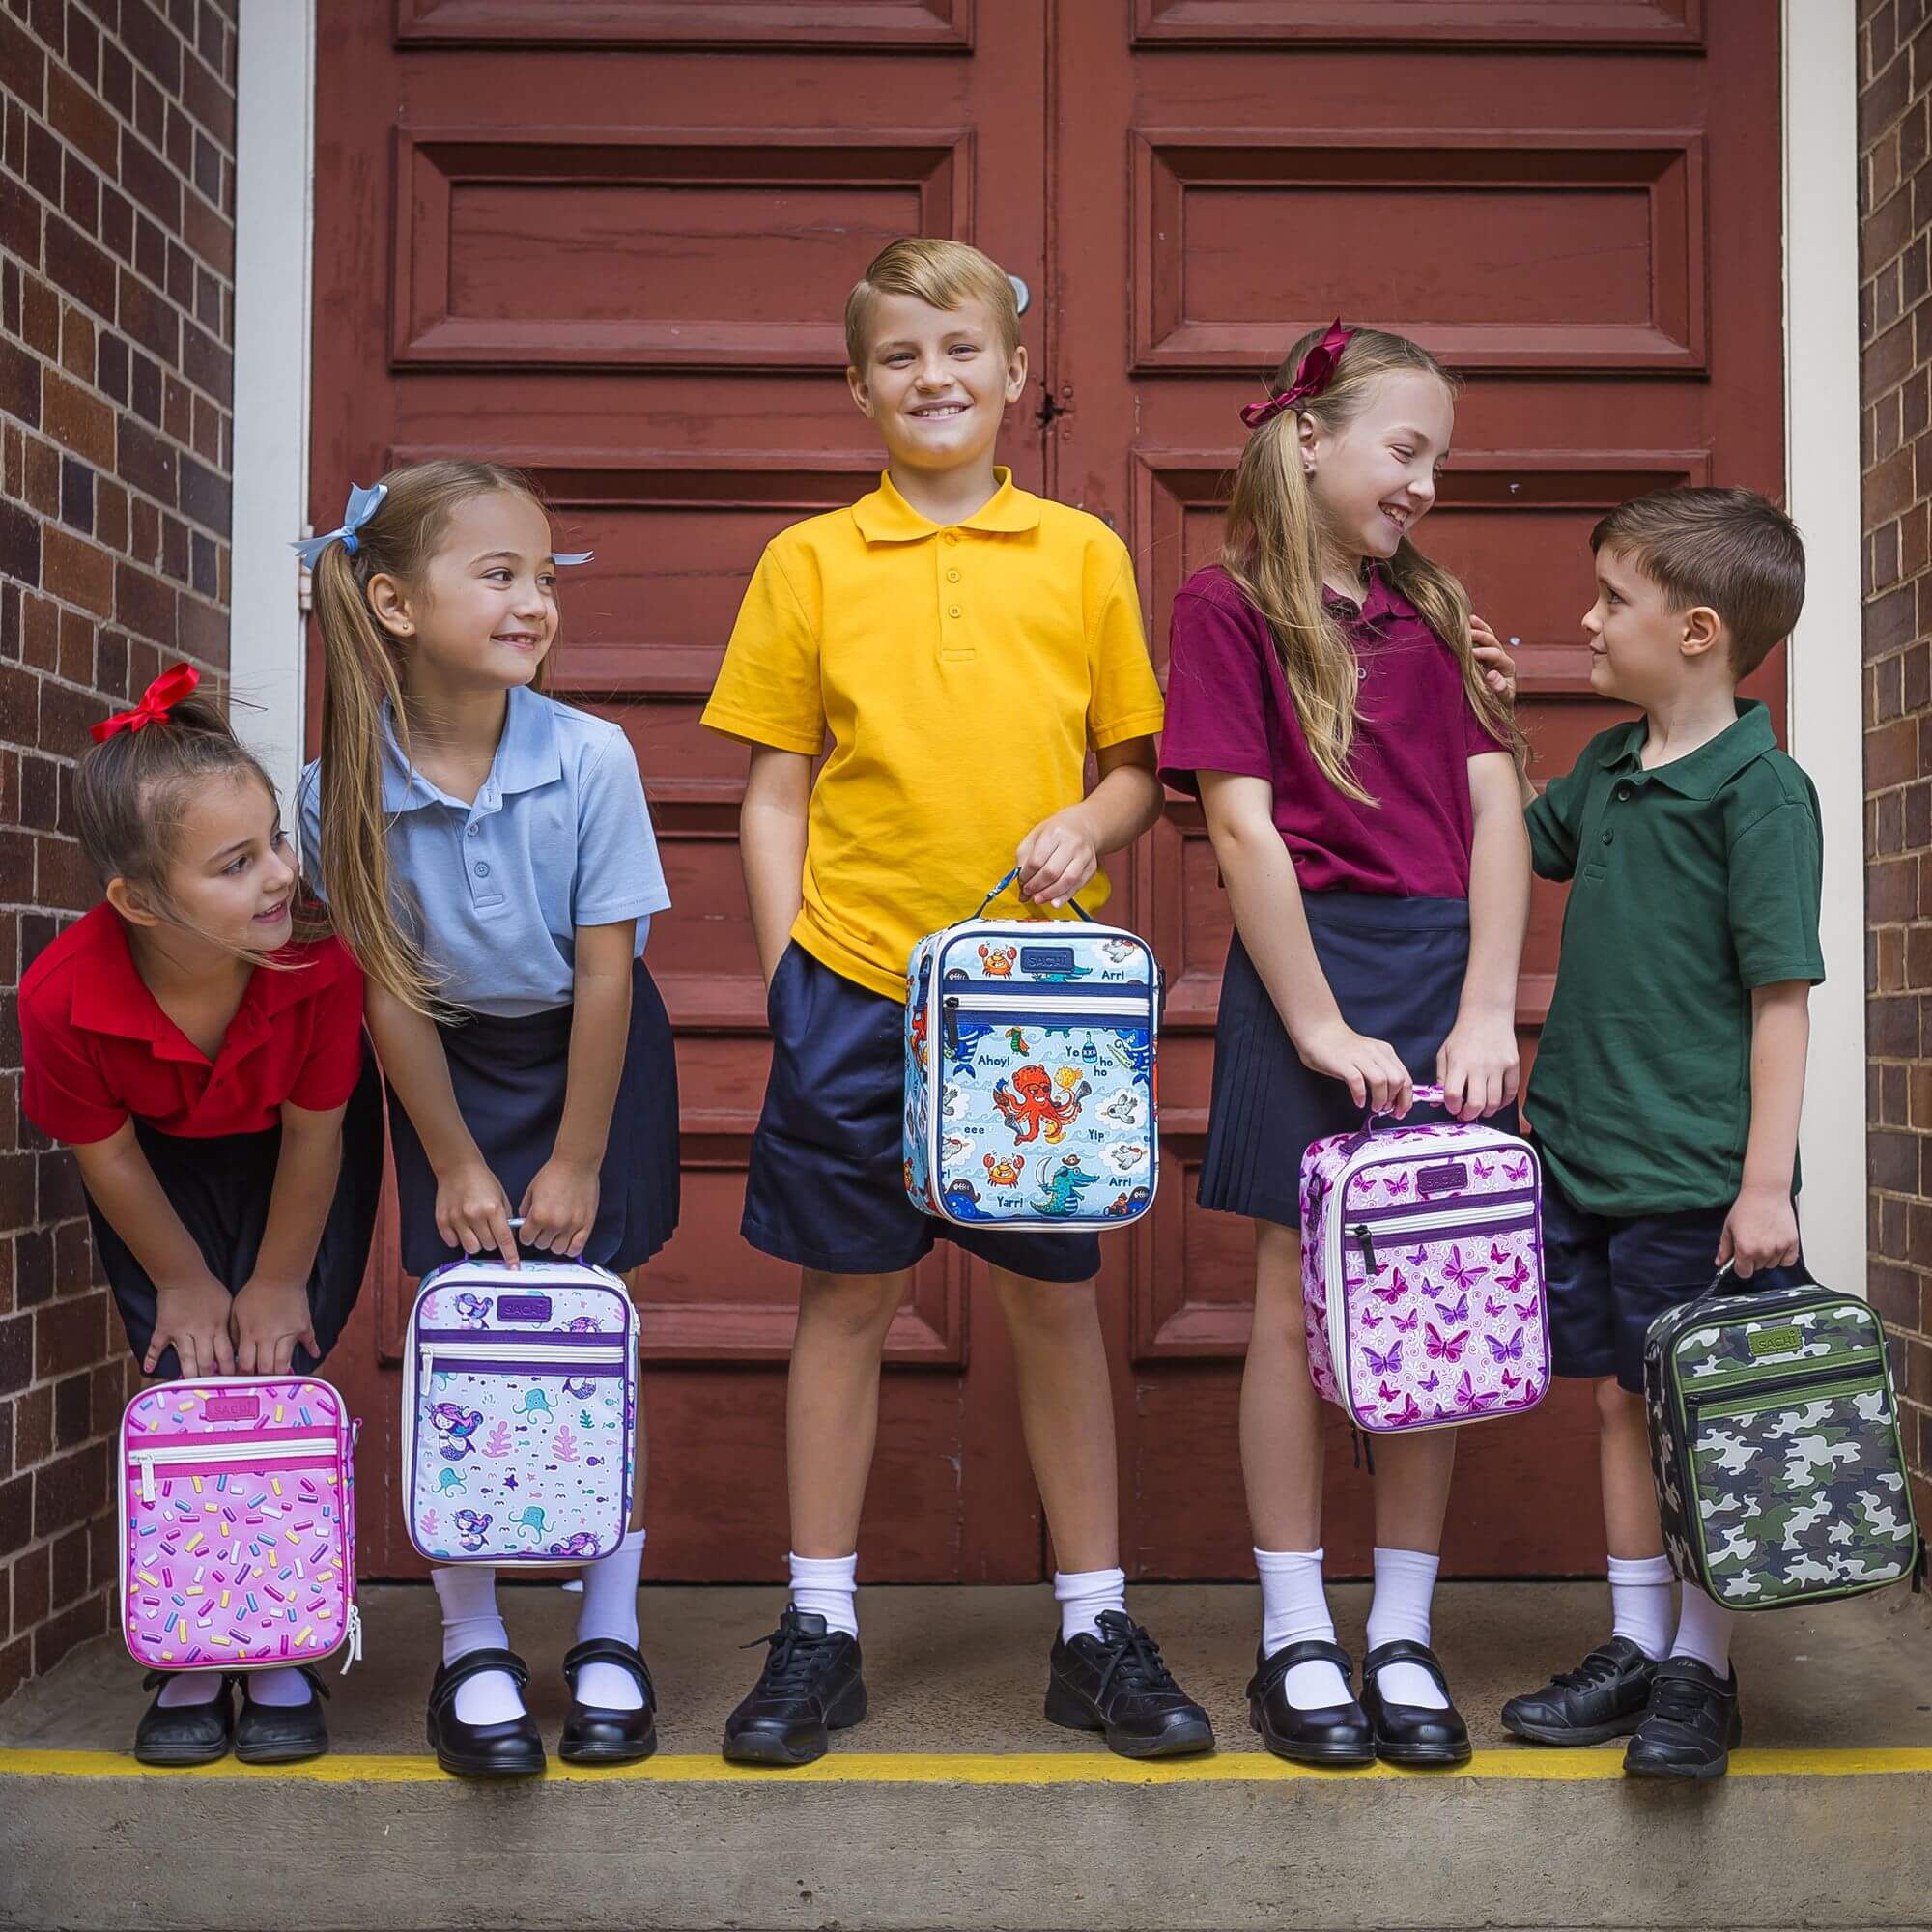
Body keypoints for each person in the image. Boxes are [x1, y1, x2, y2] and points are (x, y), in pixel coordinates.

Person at [702, 237, 1211, 1765]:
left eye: (961, 351)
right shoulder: (808, 562)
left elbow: (1136, 768)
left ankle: (1093, 1626)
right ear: (861, 386)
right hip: (859, 985)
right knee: (845, 1300)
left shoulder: (1082, 555)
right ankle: (819, 1627)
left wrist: (1097, 824)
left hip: (1030, 1005)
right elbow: (774, 787)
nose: (936, 378)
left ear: (1010, 374)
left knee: (1056, 1304)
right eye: (903, 357)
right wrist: (790, 965)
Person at [1158, 321, 1530, 1767]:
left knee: (1430, 1294)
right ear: (1308, 438)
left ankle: (1403, 1632)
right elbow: (1241, 826)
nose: (1427, 483)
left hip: (1443, 969)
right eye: (1407, 448)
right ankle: (1298, 1627)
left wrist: (1489, 1005)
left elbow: (1496, 813)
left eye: (1439, 456)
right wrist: (1314, 1019)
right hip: (1301, 965)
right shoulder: (1223, 607)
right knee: (1284, 1296)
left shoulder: (1437, 610)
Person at [298, 462, 676, 1776]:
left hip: (592, 1059)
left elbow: (612, 969)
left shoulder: (592, 758)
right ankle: (472, 1645)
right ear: (395, 603)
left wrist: (575, 1154)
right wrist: (452, 1157)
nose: (534, 602)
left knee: (588, 1331)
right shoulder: (339, 784)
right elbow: (385, 988)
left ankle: (610, 1631)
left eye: (543, 576)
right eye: (498, 574)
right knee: (465, 1339)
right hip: (441, 1066)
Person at [1490, 487, 1817, 1779]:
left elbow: (1781, 1000)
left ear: (1692, 631)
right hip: (1582, 1154)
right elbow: (1520, 846)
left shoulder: (1763, 793)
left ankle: (1703, 1665)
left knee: (1704, 1417)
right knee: (1621, 1404)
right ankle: (1635, 1644)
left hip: (1698, 1173)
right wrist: (1493, 727)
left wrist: (1765, 1184)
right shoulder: (1613, 771)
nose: (1586, 619)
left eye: (1609, 599)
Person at [19, 666, 382, 1765]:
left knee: (277, 1367)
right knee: (190, 1371)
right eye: (237, 864)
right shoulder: (62, 994)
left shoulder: (316, 955)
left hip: (297, 1157)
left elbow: (319, 1133)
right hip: (156, 1174)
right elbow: (108, 1154)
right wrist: (183, 1278)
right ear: (139, 899)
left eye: (274, 839)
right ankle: (187, 1639)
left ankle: (278, 1641)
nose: (280, 873)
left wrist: (276, 1279)